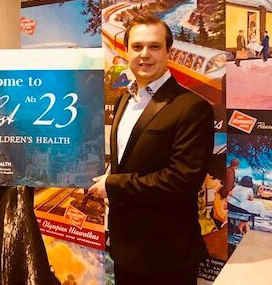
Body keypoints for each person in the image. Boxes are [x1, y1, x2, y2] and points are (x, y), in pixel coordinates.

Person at [89, 14, 214, 285]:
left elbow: (182, 180)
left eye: (154, 47)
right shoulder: (124, 100)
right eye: (137, 47)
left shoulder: (192, 107)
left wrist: (113, 185)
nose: (145, 55)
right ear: (126, 51)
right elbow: (129, 159)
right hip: (125, 249)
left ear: (169, 51)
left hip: (166, 256)